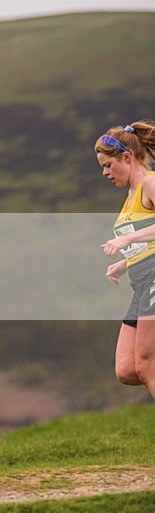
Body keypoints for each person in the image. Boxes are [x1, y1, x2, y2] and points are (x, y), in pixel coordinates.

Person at [99, 119, 155, 400]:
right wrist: (125, 263)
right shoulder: (132, 194)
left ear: (127, 157)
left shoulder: (150, 182)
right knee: (127, 370)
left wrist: (127, 239)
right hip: (142, 282)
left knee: (146, 365)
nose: (106, 173)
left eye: (108, 165)